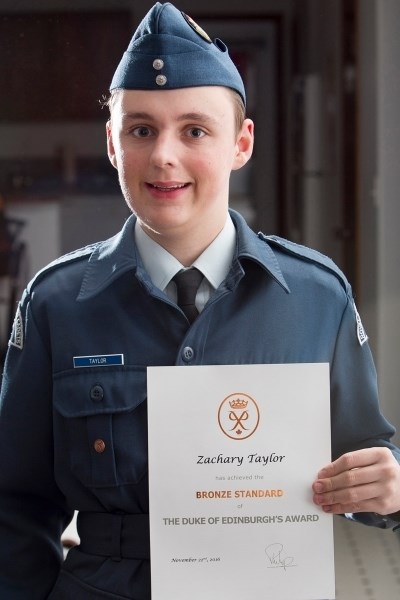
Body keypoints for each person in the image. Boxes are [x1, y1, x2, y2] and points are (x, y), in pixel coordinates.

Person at [0, 3, 399, 598]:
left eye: (194, 130)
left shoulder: (318, 297)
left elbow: (366, 454)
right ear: (113, 144)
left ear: (241, 143)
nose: (164, 155)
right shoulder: (56, 303)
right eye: (141, 129)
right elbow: (14, 502)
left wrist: (389, 487)